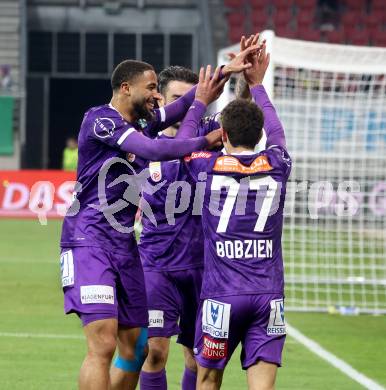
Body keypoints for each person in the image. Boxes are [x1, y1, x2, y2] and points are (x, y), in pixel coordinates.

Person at [59, 59, 224, 390]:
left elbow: (172, 112)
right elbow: (152, 148)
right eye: (150, 88)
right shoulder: (101, 120)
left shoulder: (138, 127)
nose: (155, 96)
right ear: (125, 88)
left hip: (124, 248)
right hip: (88, 242)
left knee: (136, 349)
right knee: (103, 345)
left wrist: (219, 78)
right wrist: (204, 141)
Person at [179, 37, 291, 389]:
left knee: (209, 379)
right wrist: (256, 86)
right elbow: (277, 131)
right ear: (259, 135)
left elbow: (181, 144)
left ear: (222, 133)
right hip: (268, 294)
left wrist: (199, 102)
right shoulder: (276, 162)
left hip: (221, 297)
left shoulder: (206, 167)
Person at [138, 66, 220, 390]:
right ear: (164, 100)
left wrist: (244, 84)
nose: (188, 106)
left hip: (203, 266)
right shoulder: (145, 139)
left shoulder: (212, 134)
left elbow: (242, 121)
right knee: (154, 352)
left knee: (197, 358)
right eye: (179, 99)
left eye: (194, 98)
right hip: (156, 264)